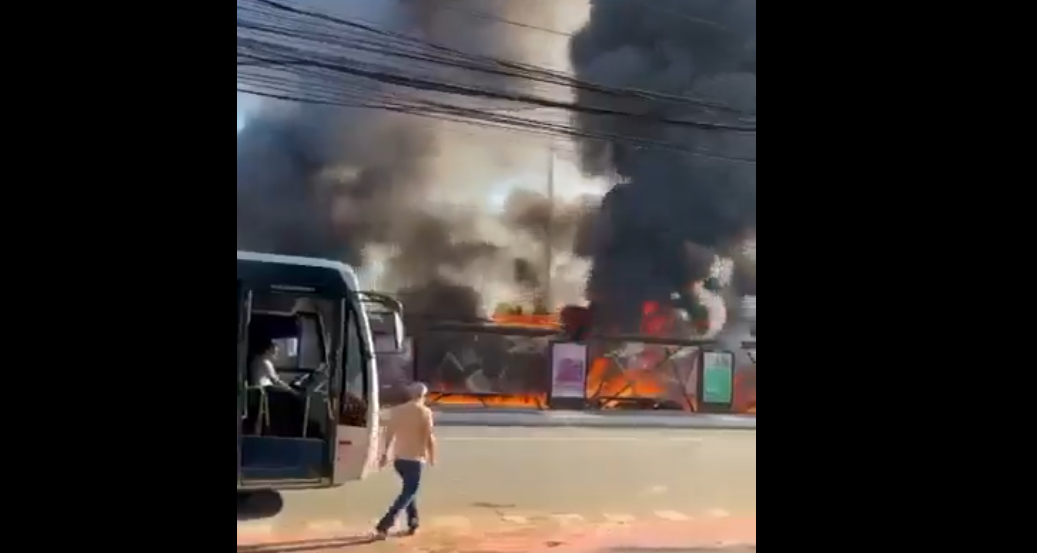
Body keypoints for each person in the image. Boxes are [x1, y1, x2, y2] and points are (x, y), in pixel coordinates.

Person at [374, 382, 436, 539]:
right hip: (415, 459)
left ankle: (413, 522)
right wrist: (432, 455)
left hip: (399, 459)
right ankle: (385, 523)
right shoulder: (425, 412)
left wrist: (384, 454)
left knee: (409, 490)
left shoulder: (398, 411)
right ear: (423, 396)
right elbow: (429, 437)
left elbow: (388, 433)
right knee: (409, 491)